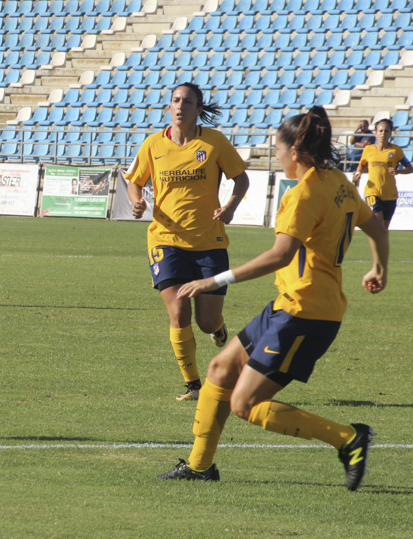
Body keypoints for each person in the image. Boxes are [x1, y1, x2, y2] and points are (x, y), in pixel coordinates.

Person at [157, 106, 389, 491]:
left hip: (305, 313)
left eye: (277, 148)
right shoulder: (340, 183)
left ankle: (348, 438)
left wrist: (214, 280)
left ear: (294, 152)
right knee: (219, 370)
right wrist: (379, 268)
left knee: (244, 404)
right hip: (290, 306)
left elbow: (280, 255)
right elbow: (377, 227)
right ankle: (200, 467)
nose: (277, 155)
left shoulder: (304, 194)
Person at [126, 83, 250, 402]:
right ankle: (193, 384)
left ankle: (217, 326)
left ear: (198, 109)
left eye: (188, 102)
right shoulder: (153, 144)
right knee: (178, 311)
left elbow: (241, 178)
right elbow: (134, 182)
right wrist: (137, 201)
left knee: (205, 321)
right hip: (165, 240)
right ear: (169, 106)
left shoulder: (215, 142)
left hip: (209, 242)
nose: (180, 106)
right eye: (176, 100)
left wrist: (231, 206)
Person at [353, 118, 413, 229]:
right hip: (372, 192)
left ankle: (381, 246)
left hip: (390, 194)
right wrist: (358, 172)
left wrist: (398, 171)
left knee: (384, 230)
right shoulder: (368, 149)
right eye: (380, 131)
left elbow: (410, 168)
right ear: (376, 133)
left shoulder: (396, 150)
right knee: (378, 225)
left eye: (386, 131)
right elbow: (362, 164)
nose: (383, 134)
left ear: (390, 133)